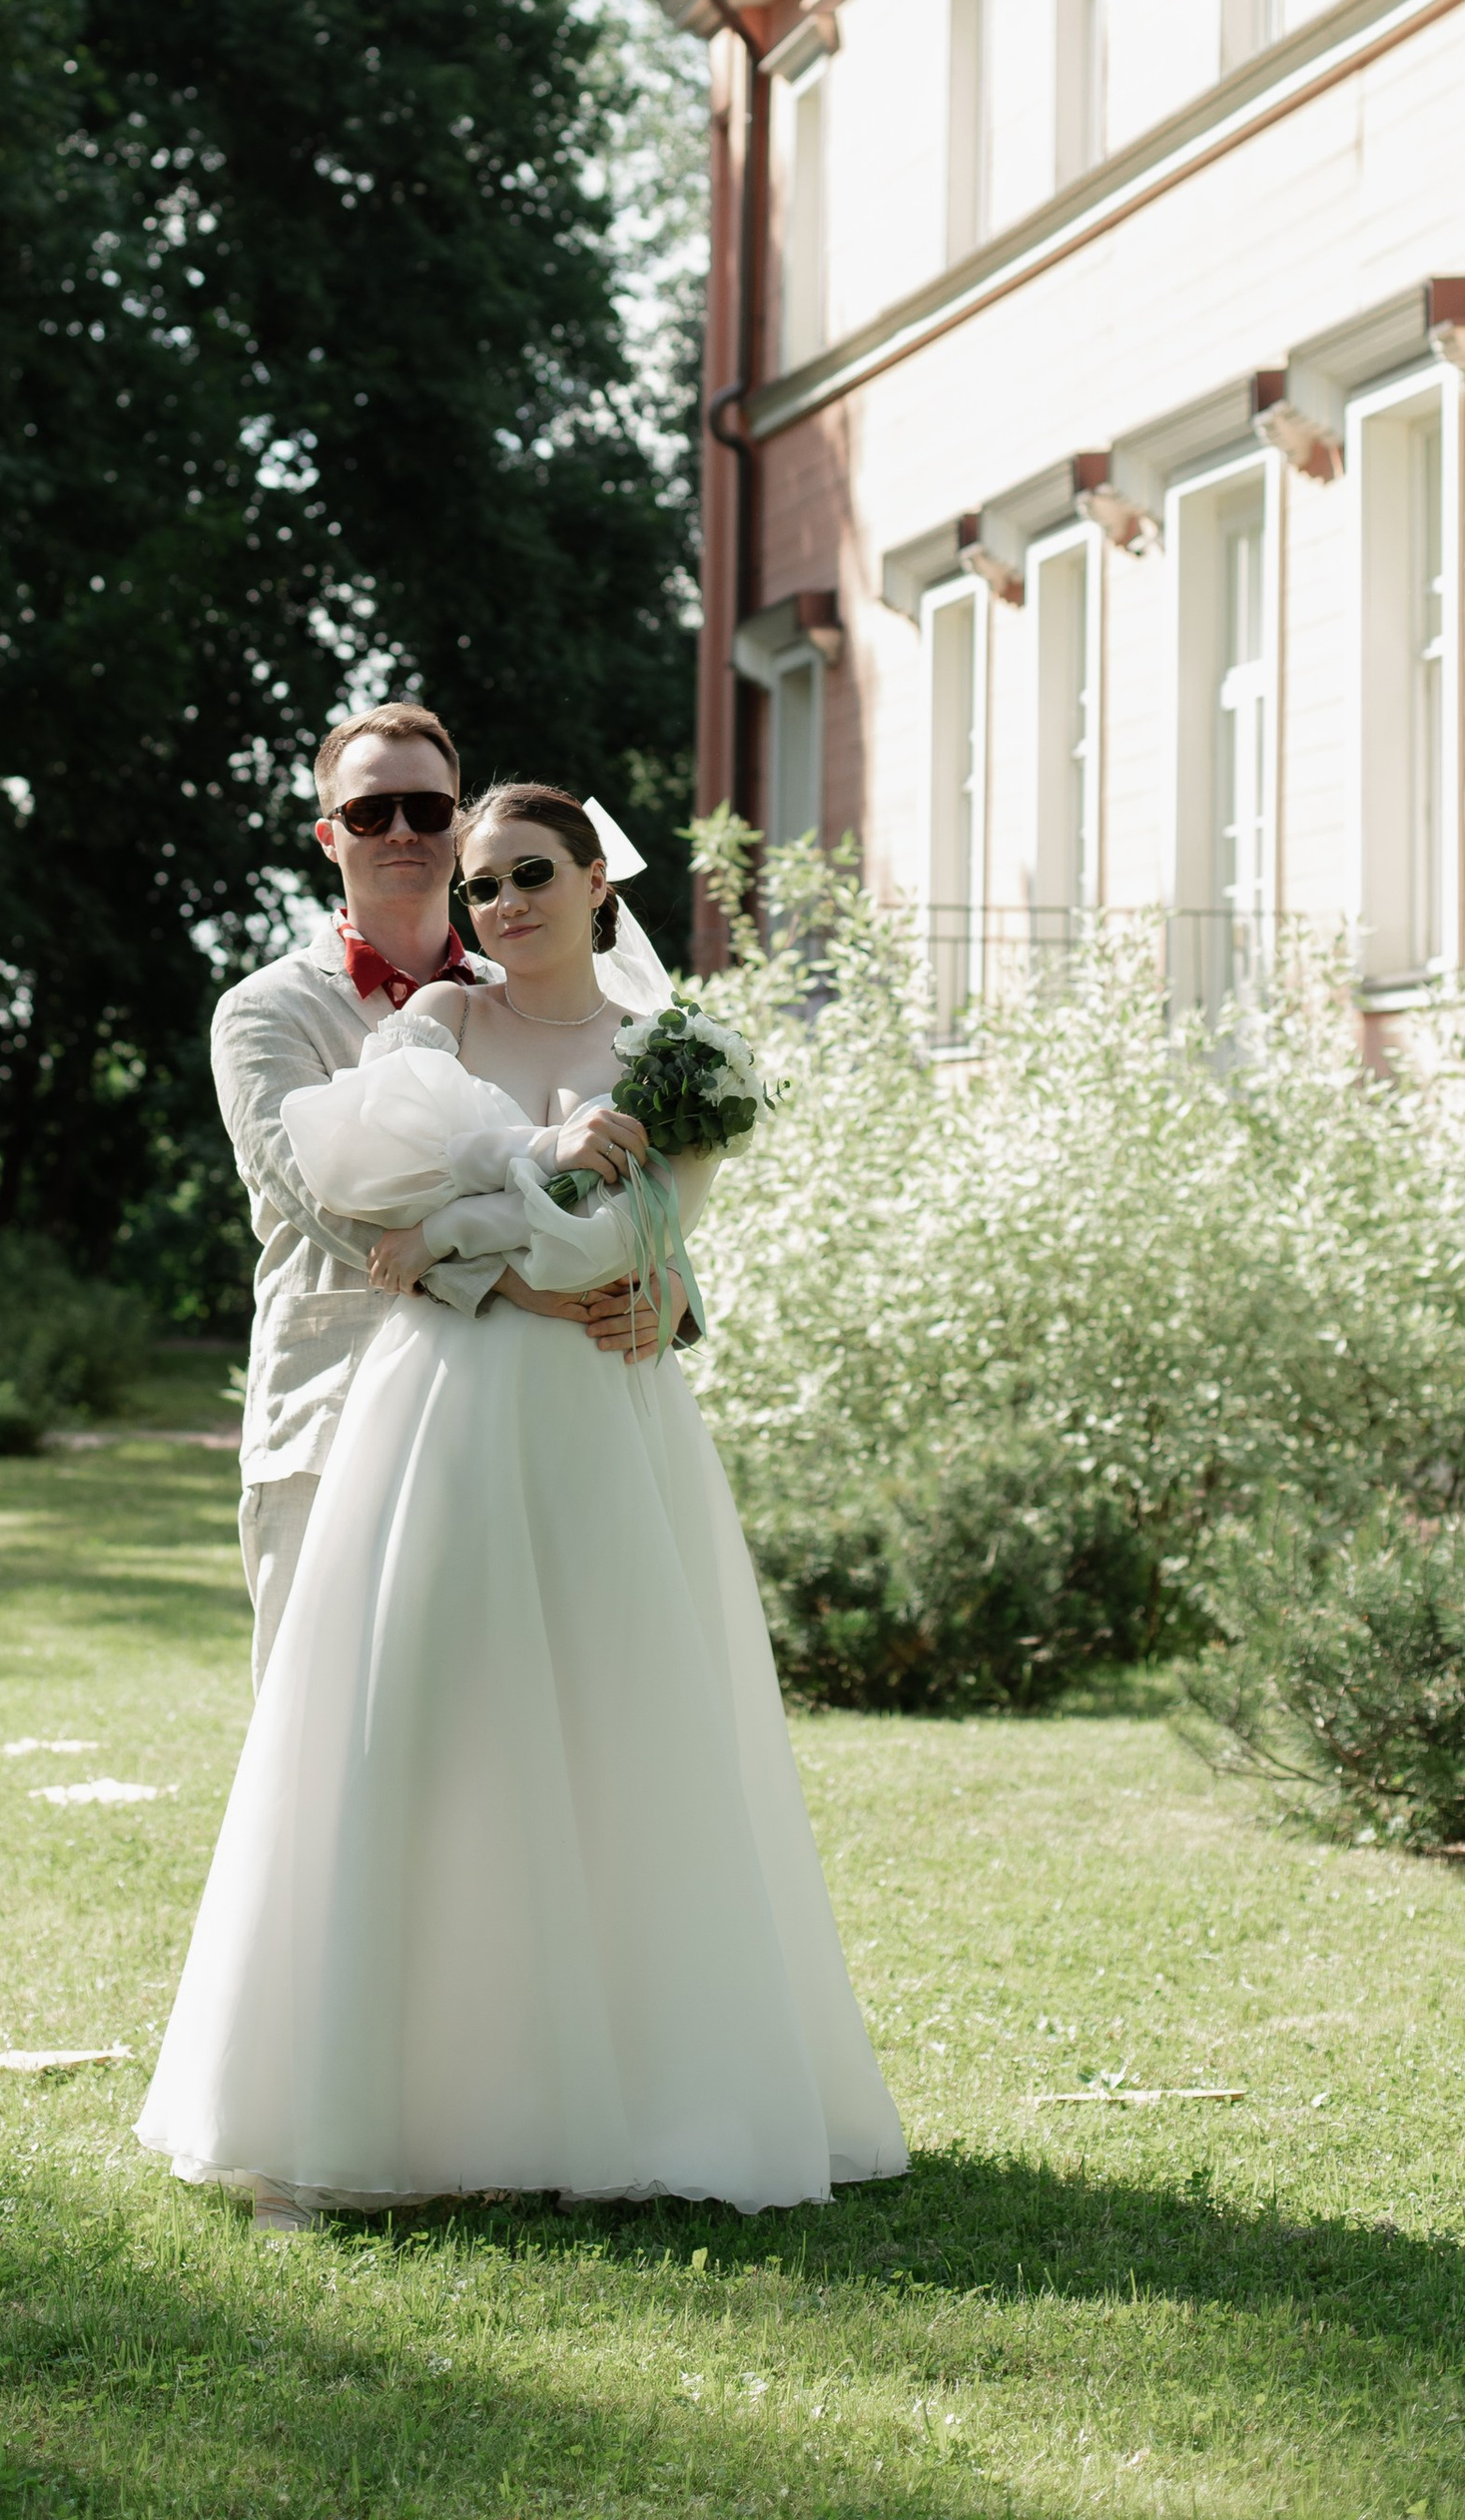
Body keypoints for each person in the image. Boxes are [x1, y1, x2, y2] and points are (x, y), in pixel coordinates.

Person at [139, 782, 906, 2222]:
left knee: (628, 1734)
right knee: (432, 1731)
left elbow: (636, 1247)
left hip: (613, 1432)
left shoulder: (683, 1057)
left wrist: (632, 1268)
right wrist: (540, 1175)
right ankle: (408, 2096)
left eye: (531, 874)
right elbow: (381, 1229)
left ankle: (643, 2089)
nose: (503, 907)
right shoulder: (430, 1031)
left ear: (600, 879)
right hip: (444, 1418)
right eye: (482, 887)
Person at [212, 702, 673, 1690]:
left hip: (525, 1420)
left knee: (503, 1735)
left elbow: (634, 1163)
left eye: (426, 809)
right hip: (334, 1413)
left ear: (459, 823)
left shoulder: (540, 980)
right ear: (330, 834)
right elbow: (334, 1206)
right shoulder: (264, 1013)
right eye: (371, 812)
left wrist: (668, 1292)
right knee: (329, 1731)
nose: (404, 833)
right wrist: (528, 1283)